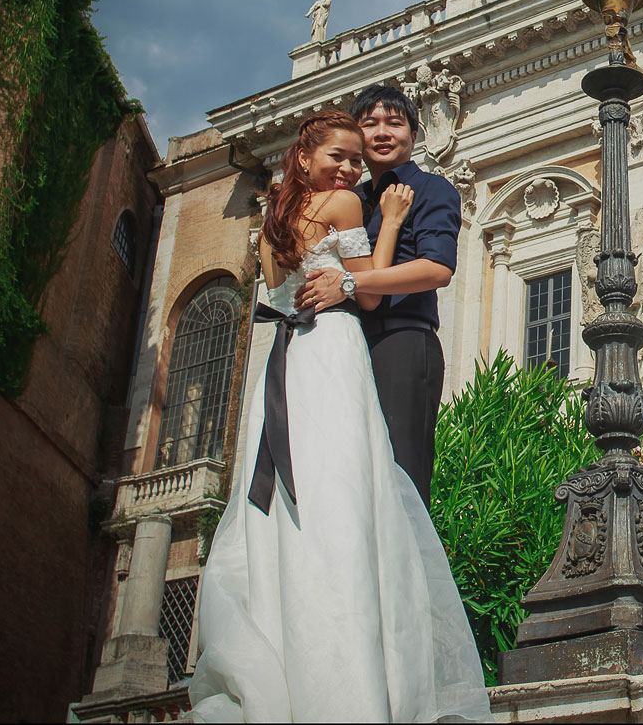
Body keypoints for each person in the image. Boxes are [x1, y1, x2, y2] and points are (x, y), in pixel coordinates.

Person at [189, 111, 487, 721]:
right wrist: (394, 222)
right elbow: (370, 289)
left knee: (289, 508)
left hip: (282, 362)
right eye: (341, 155)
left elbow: (278, 287)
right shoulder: (347, 205)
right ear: (306, 158)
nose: (352, 168)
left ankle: (286, 659)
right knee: (352, 492)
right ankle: (357, 671)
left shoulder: (274, 213)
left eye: (357, 159)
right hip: (329, 350)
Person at [296, 85, 459, 506]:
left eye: (395, 123)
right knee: (348, 478)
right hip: (346, 347)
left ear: (414, 133)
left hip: (403, 340)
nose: (383, 132)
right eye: (370, 124)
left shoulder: (431, 188)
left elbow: (437, 269)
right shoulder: (351, 197)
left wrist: (350, 284)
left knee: (400, 474)